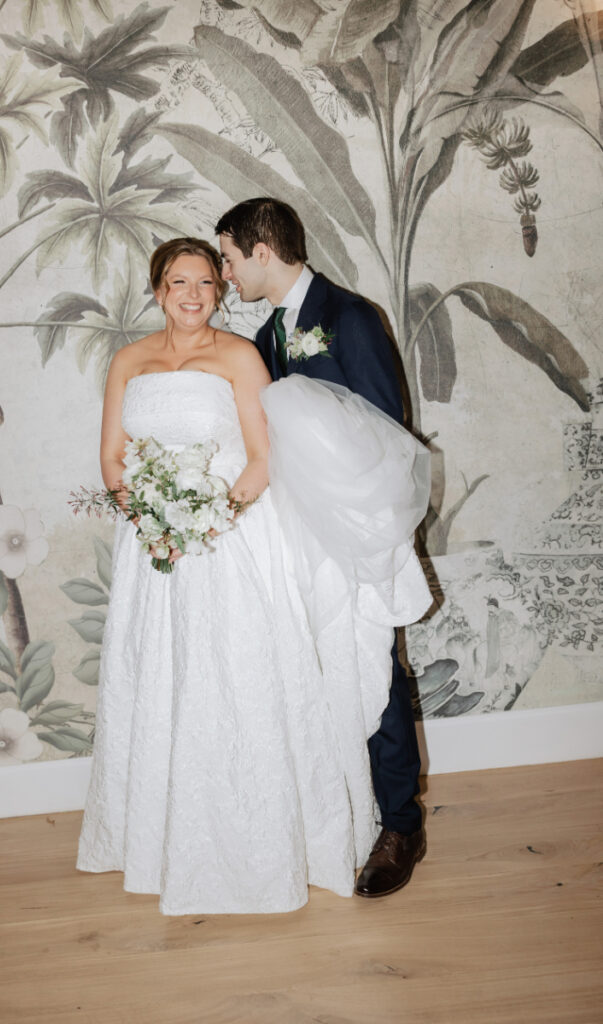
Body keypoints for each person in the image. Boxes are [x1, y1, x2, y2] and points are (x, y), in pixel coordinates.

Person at [76, 237, 421, 914]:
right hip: (153, 549)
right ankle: (167, 836)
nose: (193, 294)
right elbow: (112, 457)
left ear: (219, 290)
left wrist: (207, 517)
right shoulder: (128, 361)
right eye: (178, 282)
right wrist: (148, 515)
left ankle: (261, 836)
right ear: (156, 290)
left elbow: (264, 457)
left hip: (229, 540)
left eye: (205, 282)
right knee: (166, 680)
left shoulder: (240, 355)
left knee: (239, 678)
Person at [215, 198, 427, 898]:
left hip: (358, 531)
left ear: (263, 251)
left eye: (228, 256)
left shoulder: (349, 316)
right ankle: (347, 812)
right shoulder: (268, 336)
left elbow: (385, 433)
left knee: (376, 669)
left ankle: (401, 826)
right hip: (298, 536)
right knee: (322, 670)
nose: (224, 273)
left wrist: (368, 537)